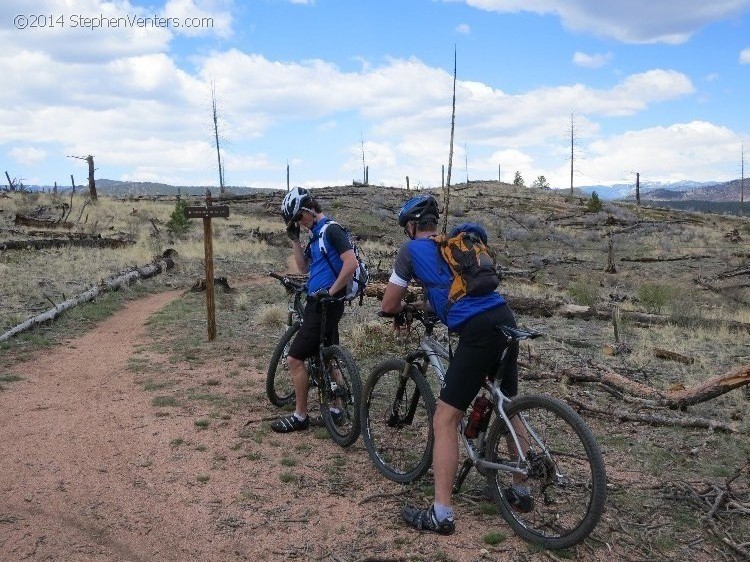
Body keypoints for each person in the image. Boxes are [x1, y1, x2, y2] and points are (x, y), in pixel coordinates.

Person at [380, 194, 530, 535]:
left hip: (476, 331)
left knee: (445, 419)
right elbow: (451, 292)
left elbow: (390, 302)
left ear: (411, 226)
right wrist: (424, 305)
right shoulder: (452, 247)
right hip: (503, 318)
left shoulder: (410, 251)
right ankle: (522, 489)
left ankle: (441, 513)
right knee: (507, 404)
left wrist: (399, 308)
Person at [270, 186, 358, 433]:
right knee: (328, 357)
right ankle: (338, 410)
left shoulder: (331, 230)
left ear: (309, 208)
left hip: (324, 305)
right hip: (322, 303)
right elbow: (303, 268)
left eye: (299, 217)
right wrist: (296, 239)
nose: (299, 222)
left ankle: (300, 416)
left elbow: (351, 263)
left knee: (295, 359)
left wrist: (331, 292)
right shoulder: (316, 234)